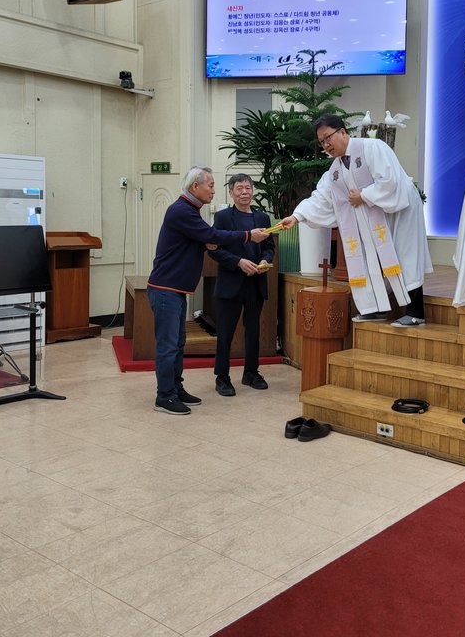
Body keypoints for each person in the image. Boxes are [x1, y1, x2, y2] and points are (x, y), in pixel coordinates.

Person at [280, 113, 432, 327]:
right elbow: (322, 198)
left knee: (405, 254)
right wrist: (297, 216)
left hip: (400, 210)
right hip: (376, 218)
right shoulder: (335, 171)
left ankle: (415, 312)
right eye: (321, 142)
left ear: (342, 132)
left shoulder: (372, 148)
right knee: (371, 258)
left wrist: (364, 196)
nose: (326, 145)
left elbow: (389, 180)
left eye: (328, 137)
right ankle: (377, 308)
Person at [147, 166, 270, 415]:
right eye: (210, 185)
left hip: (174, 289)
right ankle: (165, 396)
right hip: (165, 288)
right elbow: (210, 234)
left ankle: (176, 388)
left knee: (178, 343)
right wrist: (247, 236)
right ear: (196, 187)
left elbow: (204, 238)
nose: (213, 190)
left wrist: (207, 242)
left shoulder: (190, 210)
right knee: (168, 345)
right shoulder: (182, 210)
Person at [208, 173, 276, 397]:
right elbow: (214, 250)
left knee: (253, 331)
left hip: (256, 282)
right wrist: (238, 262)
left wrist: (265, 260)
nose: (244, 192)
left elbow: (269, 246)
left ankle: (251, 373)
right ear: (231, 192)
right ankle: (222, 377)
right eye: (239, 188)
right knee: (225, 333)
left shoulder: (262, 218)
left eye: (248, 187)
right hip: (231, 282)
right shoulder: (223, 217)